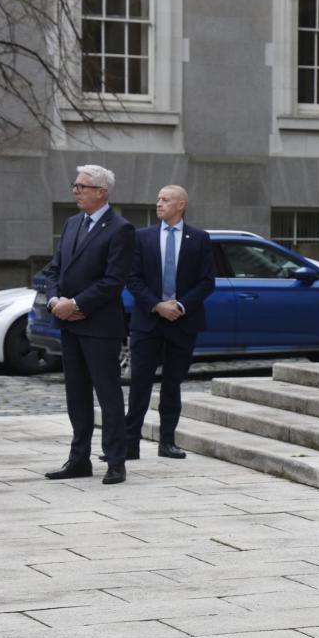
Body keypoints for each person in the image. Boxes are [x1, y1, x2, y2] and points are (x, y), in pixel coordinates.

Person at [43, 165, 135, 485]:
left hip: (99, 327)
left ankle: (115, 461)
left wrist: (77, 304)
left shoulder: (120, 228)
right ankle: (79, 459)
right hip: (70, 326)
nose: (75, 191)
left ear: (101, 192)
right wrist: (56, 302)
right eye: (75, 185)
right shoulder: (71, 224)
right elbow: (54, 271)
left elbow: (113, 280)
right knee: (76, 395)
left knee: (107, 395)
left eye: (82, 186)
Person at [122, 185, 215, 461]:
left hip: (182, 322)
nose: (159, 203)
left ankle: (167, 442)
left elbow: (207, 281)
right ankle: (129, 444)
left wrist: (181, 305)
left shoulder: (199, 238)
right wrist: (157, 305)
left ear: (181, 205)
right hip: (148, 321)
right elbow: (132, 278)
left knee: (172, 384)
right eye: (158, 199)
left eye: (165, 199)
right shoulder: (142, 237)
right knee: (140, 383)